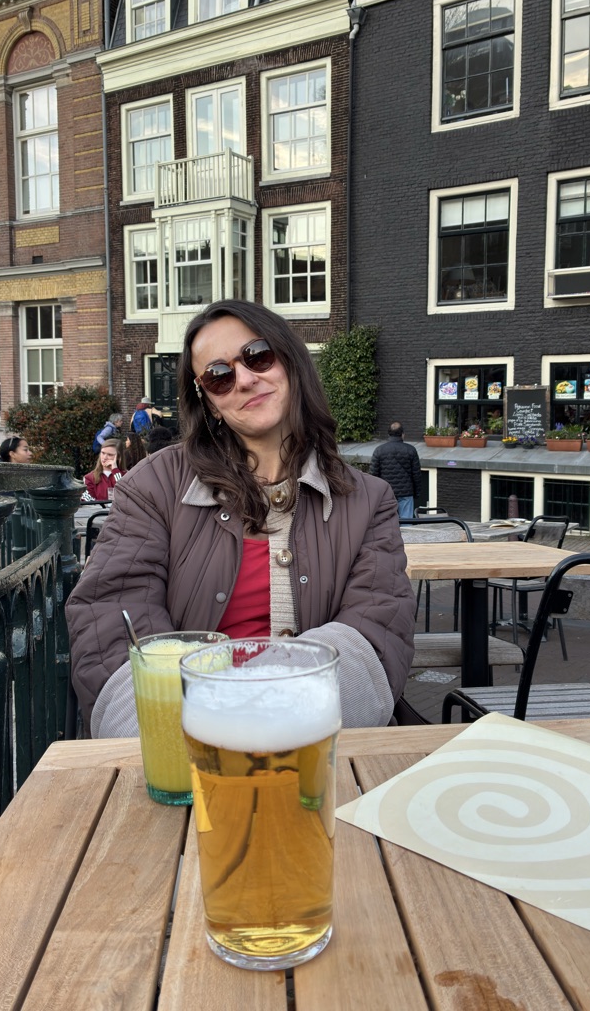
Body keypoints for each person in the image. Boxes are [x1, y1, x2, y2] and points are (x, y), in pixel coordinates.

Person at [66, 300, 415, 738]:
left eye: (257, 355)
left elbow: (377, 632)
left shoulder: (368, 500)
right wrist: (195, 734)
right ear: (209, 403)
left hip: (318, 751)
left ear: (289, 360)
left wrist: (259, 719)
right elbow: (111, 619)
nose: (246, 380)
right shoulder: (153, 485)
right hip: (187, 750)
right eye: (219, 376)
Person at [370, 422, 423, 519]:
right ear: (403, 434)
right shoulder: (410, 450)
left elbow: (373, 475)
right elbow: (416, 474)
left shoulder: (379, 450)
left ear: (388, 434)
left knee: (387, 523)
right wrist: (417, 492)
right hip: (406, 493)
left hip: (386, 494)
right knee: (407, 526)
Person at [82, 438, 124, 502]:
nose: (105, 457)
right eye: (103, 453)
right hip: (99, 511)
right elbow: (87, 500)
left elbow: (123, 493)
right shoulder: (89, 478)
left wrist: (115, 470)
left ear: (118, 457)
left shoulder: (127, 475)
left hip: (119, 511)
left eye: (110, 455)